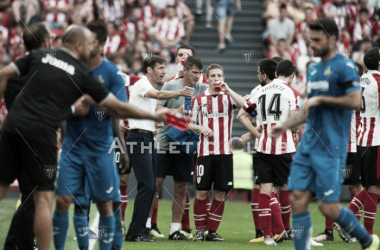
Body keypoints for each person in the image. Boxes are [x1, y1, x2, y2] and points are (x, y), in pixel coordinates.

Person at [0, 25, 168, 250]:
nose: (93, 47)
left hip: (19, 131)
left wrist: (12, 110)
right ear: (80, 45)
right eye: (89, 42)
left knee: (103, 205)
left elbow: (5, 76)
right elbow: (116, 109)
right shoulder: (79, 72)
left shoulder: (43, 56)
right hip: (53, 141)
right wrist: (153, 114)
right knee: (47, 200)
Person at [269, 18, 379, 250]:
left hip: (332, 147)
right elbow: (309, 109)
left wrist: (322, 99)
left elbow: (353, 100)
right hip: (308, 145)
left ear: (332, 39)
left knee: (329, 207)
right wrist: (285, 124)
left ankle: (367, 239)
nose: (313, 45)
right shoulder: (313, 69)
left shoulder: (345, 67)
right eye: (311, 40)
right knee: (297, 198)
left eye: (317, 40)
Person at [53, 21, 127, 250]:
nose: (83, 45)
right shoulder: (69, 69)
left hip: (100, 149)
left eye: (90, 40)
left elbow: (118, 111)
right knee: (66, 200)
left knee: (107, 205)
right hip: (73, 149)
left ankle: (112, 246)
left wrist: (121, 148)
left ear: (101, 44)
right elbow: (57, 108)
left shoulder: (112, 73)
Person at [125, 55, 193, 242]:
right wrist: (180, 93)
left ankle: (134, 231)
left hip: (147, 138)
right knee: (147, 185)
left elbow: (157, 112)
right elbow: (159, 96)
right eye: (161, 68)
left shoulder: (147, 87)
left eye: (165, 68)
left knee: (149, 186)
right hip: (139, 137)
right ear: (149, 70)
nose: (164, 71)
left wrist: (177, 115)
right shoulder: (142, 83)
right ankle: (137, 232)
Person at [237, 59, 299, 245]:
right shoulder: (290, 92)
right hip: (283, 147)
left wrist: (256, 133)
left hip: (262, 146)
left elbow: (241, 115)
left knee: (265, 190)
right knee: (287, 188)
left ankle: (269, 236)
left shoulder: (260, 91)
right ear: (292, 75)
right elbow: (294, 121)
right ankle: (287, 230)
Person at [2, 22, 52, 250]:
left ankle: (16, 244)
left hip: (11, 131)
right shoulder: (47, 70)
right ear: (46, 42)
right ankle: (19, 244)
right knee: (39, 196)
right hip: (36, 137)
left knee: (17, 192)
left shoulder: (14, 70)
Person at [153, 55, 208, 240]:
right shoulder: (170, 86)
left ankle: (174, 230)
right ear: (184, 70)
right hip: (164, 142)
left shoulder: (203, 89)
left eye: (200, 73)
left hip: (186, 143)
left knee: (182, 186)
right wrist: (176, 113)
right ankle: (146, 225)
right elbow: (157, 110)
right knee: (156, 185)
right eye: (194, 72)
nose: (197, 76)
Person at [190, 63, 245, 241]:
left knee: (220, 193)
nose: (216, 79)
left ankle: (212, 231)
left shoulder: (228, 98)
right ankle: (199, 231)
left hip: (225, 154)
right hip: (205, 154)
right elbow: (188, 123)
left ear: (223, 78)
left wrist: (229, 91)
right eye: (212, 76)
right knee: (201, 192)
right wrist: (200, 128)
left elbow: (247, 107)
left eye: (219, 76)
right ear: (206, 78)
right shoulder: (198, 100)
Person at [313, 62, 364, 243]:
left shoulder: (362, 93)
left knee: (355, 188)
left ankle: (352, 230)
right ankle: (328, 231)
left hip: (354, 146)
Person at [348, 48, 380, 236]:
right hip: (375, 139)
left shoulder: (360, 80)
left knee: (370, 186)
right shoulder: (378, 80)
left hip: (362, 138)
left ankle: (347, 219)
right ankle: (368, 234)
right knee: (374, 187)